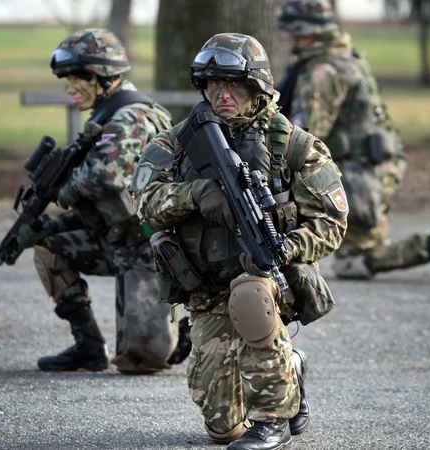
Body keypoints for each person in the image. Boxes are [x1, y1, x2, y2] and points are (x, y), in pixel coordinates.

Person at [131, 33, 347, 450]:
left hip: (265, 279)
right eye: (213, 85)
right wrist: (193, 195)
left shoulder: (296, 146)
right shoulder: (176, 143)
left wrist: (287, 247)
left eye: (233, 85)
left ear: (258, 88)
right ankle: (292, 368)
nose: (222, 95)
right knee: (222, 429)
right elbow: (140, 200)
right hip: (205, 287)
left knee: (251, 296)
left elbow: (332, 221)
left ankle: (273, 420)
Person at [14, 28, 181, 375]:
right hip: (118, 240)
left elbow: (106, 175)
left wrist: (62, 191)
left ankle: (188, 333)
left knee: (142, 362)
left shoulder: (131, 117)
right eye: (68, 81)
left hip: (149, 251)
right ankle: (87, 346)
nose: (70, 89)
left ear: (102, 76)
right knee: (48, 244)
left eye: (78, 80)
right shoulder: (107, 116)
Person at [276, 0, 430, 282]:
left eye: (293, 33)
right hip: (375, 164)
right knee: (351, 254)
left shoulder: (321, 71)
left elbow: (305, 137)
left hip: (362, 173)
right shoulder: (347, 57)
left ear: (305, 32)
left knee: (352, 262)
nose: (291, 41)